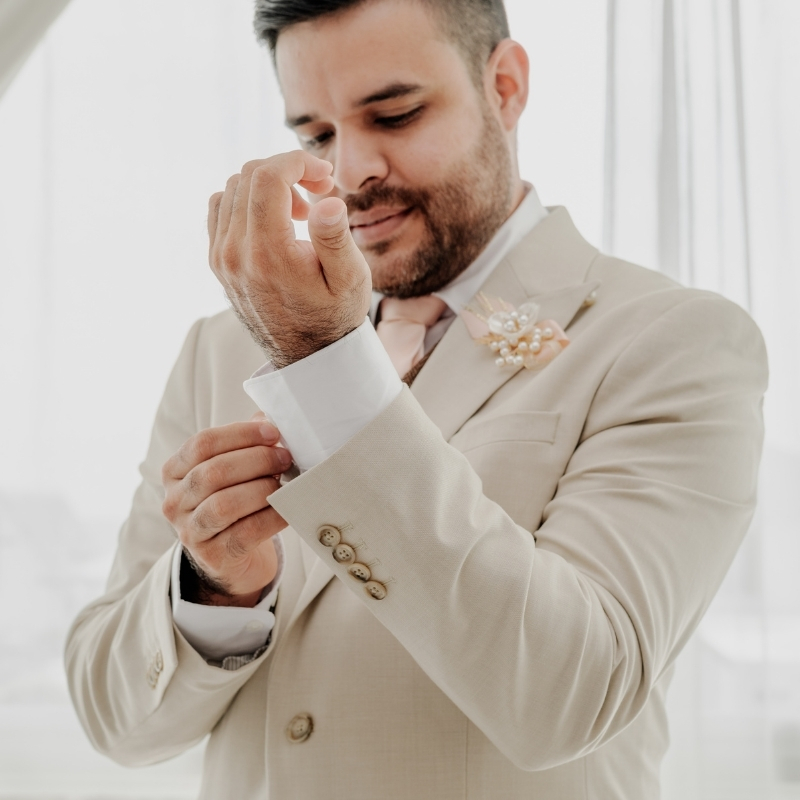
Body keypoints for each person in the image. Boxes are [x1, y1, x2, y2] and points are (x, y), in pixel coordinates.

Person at [65, 0, 768, 797]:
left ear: (504, 86)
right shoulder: (219, 348)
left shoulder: (673, 340)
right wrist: (219, 592)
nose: (350, 171)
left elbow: (570, 696)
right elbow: (110, 721)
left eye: (394, 114)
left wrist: (323, 364)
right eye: (315, 136)